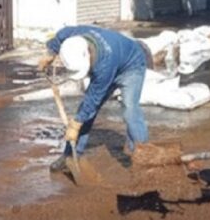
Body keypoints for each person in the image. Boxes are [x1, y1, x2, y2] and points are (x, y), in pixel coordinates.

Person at [39, 26, 149, 172]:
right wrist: (50, 52)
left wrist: (75, 124)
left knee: (130, 109)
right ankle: (70, 156)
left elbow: (93, 100)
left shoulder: (104, 64)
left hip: (132, 65)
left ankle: (143, 155)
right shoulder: (76, 36)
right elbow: (62, 35)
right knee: (86, 113)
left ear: (89, 55)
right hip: (116, 57)